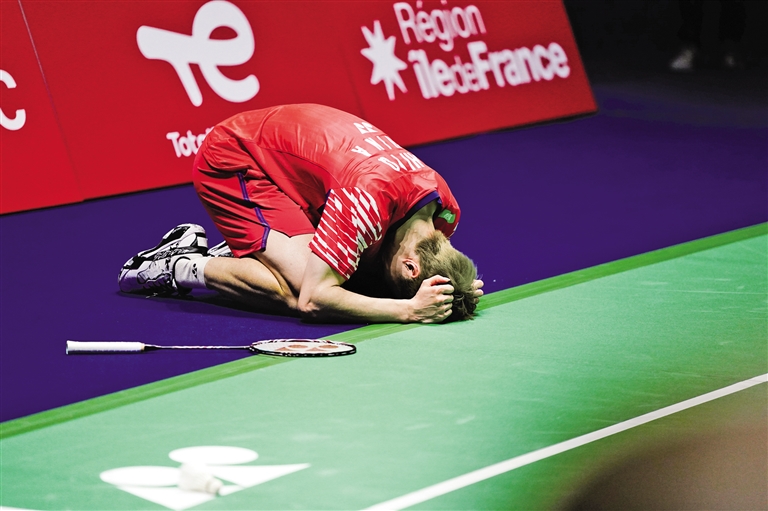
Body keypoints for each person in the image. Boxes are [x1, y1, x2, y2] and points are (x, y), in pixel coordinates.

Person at [119, 104, 483, 323]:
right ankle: (176, 266)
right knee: (300, 292)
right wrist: (408, 310)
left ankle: (255, 252)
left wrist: (461, 290)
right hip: (236, 158)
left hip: (298, 177)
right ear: (411, 267)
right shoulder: (366, 203)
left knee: (355, 283)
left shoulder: (444, 210)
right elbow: (314, 300)